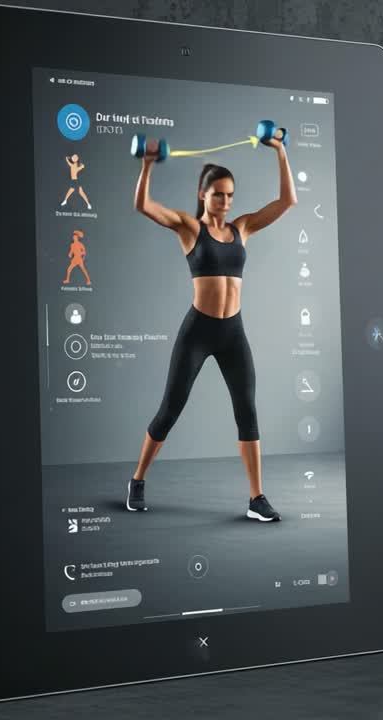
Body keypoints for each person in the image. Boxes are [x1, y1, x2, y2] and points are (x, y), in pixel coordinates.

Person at [127, 130, 296, 521]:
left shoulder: (243, 228)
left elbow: (288, 200)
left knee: (247, 411)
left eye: (230, 194)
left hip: (232, 332)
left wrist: (281, 150)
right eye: (218, 194)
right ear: (203, 194)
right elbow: (144, 206)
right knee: (170, 408)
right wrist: (147, 165)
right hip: (199, 331)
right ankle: (137, 480)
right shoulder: (190, 228)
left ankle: (257, 499)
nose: (225, 201)